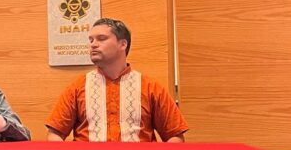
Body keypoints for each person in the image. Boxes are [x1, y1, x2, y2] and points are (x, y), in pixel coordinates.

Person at [46, 18, 188, 142]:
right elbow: (54, 134)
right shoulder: (77, 87)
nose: (93, 44)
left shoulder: (151, 87)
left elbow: (175, 136)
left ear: (123, 44)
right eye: (91, 40)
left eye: (101, 38)